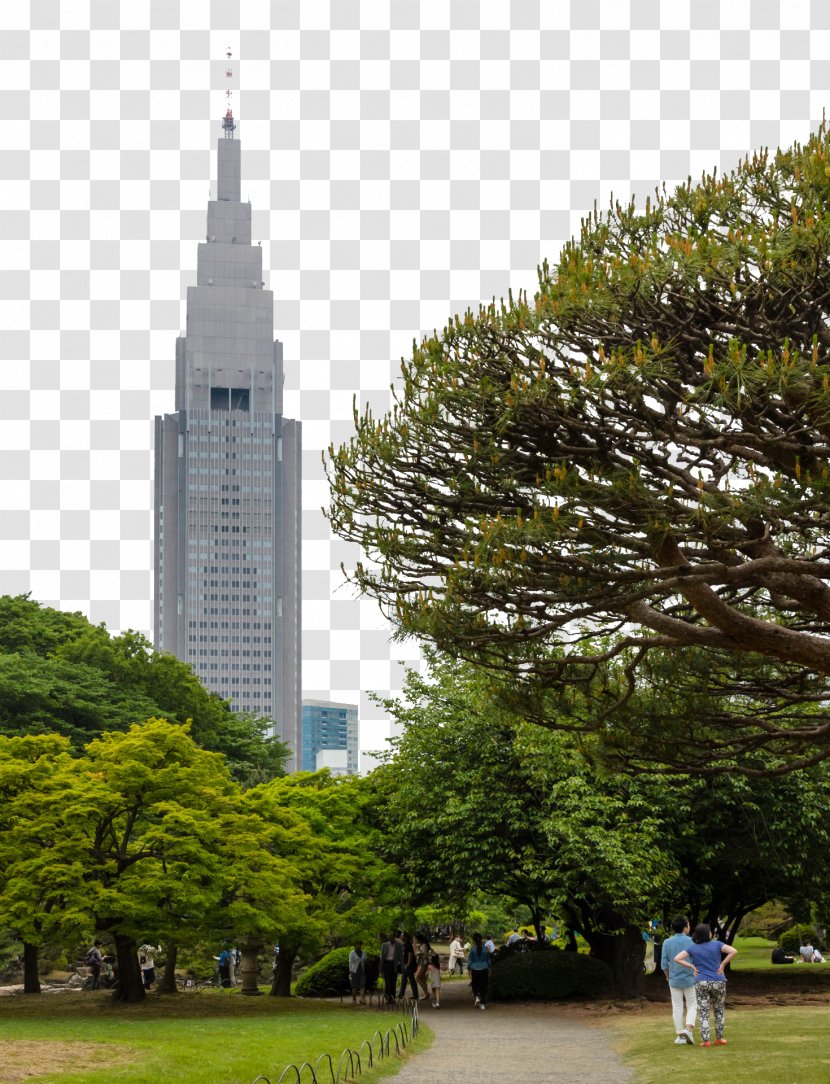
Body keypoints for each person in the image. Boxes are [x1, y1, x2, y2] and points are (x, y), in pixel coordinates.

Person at [674, 924, 737, 1047]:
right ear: (708, 934)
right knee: (719, 1010)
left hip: (701, 981)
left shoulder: (693, 948)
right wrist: (723, 964)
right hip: (718, 980)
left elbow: (677, 958)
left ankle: (706, 1040)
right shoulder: (717, 944)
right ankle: (720, 1038)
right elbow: (733, 951)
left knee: (704, 1011)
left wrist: (692, 966)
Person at [660, 916, 696, 1045]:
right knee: (692, 1004)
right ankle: (688, 1029)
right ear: (685, 927)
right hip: (690, 977)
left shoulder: (667, 942)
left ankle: (680, 1035)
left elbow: (664, 964)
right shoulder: (692, 941)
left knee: (677, 1007)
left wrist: (667, 975)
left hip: (674, 979)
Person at [467, 932, 492, 1010]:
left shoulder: (473, 949)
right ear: (481, 939)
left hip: (475, 969)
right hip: (484, 968)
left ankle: (477, 997)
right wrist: (489, 967)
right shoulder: (486, 948)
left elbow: (470, 960)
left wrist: (469, 968)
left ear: (474, 940)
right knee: (483, 986)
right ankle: (482, 1004)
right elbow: (488, 959)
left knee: (475, 985)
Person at [380, 931, 403, 1003]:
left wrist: (402, 966)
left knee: (393, 981)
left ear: (394, 937)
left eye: (392, 937)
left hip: (394, 964)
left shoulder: (399, 945)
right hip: (386, 964)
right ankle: (388, 997)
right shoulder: (384, 945)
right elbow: (381, 956)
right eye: (389, 937)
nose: (391, 938)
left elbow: (400, 957)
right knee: (387, 981)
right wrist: (381, 967)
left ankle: (392, 996)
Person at [398, 932, 418, 999]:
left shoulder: (408, 945)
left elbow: (410, 955)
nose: (401, 937)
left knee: (411, 980)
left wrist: (408, 964)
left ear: (405, 937)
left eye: (402, 936)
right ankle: (401, 994)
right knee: (403, 980)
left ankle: (415, 995)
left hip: (408, 966)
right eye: (401, 936)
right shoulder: (404, 944)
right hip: (405, 965)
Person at [349, 940, 367, 1005]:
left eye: (360, 944)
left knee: (362, 985)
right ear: (355, 945)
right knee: (354, 986)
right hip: (354, 971)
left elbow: (365, 960)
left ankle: (361, 999)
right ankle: (354, 999)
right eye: (357, 944)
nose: (359, 946)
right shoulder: (352, 953)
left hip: (362, 971)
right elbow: (350, 962)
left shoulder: (364, 952)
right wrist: (350, 971)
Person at [414, 932, 431, 1000]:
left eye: (416, 939)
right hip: (422, 963)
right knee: (422, 979)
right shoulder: (423, 945)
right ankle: (426, 994)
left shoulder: (424, 946)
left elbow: (418, 954)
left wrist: (415, 947)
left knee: (417, 977)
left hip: (423, 963)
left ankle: (426, 993)